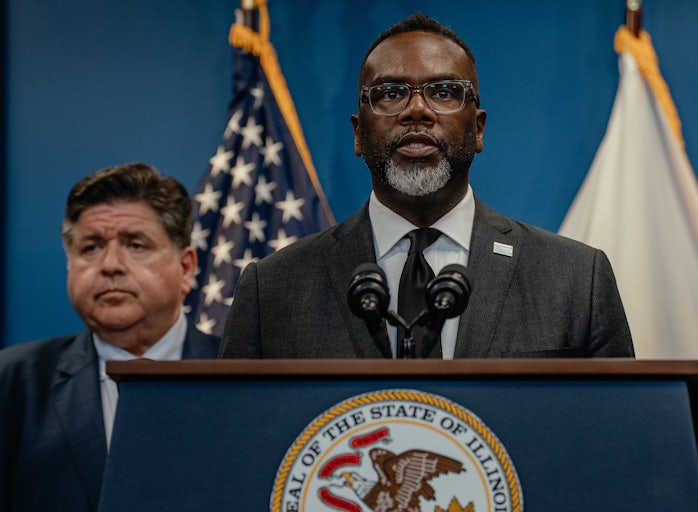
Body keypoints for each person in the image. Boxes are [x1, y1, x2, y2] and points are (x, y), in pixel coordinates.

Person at [219, 13, 634, 359]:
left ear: (478, 130)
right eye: (389, 93)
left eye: (444, 92)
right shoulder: (272, 290)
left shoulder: (575, 280)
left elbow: (616, 442)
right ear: (358, 135)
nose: (417, 109)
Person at [0, 163, 220, 512]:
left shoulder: (243, 374)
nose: (110, 264)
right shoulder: (12, 382)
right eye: (91, 248)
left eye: (135, 245)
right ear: (69, 265)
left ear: (185, 268)